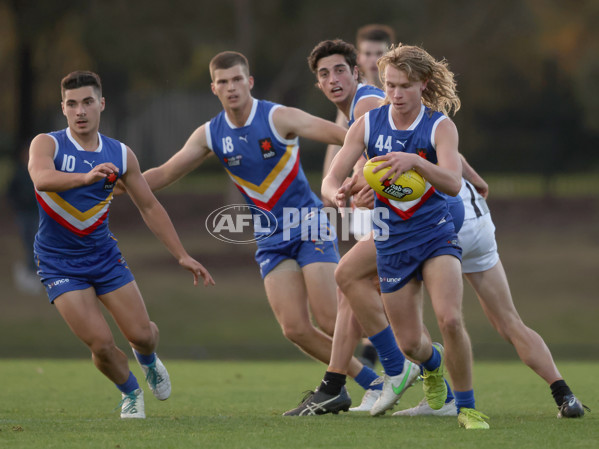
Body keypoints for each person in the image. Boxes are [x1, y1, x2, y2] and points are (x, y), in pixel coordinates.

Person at [139, 51, 375, 409]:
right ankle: (369, 382)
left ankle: (403, 360)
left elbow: (345, 136)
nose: (231, 87)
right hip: (269, 237)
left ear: (249, 82)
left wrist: (368, 165)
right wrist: (118, 184)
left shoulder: (278, 116)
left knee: (329, 317)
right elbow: (165, 173)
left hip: (307, 223)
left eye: (237, 80)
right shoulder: (210, 134)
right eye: (223, 82)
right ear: (214, 88)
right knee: (295, 328)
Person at [28, 70, 215, 419]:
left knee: (143, 336)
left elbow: (149, 206)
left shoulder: (122, 155)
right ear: (63, 109)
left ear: (101, 104)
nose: (80, 111)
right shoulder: (48, 144)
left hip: (104, 256)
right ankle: (130, 391)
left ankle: (148, 360)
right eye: (72, 104)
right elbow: (41, 179)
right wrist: (85, 177)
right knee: (99, 342)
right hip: (58, 262)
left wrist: (182, 255)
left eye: (87, 102)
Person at [322, 43, 490, 430]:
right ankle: (432, 370)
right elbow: (333, 178)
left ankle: (467, 408)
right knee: (411, 345)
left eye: (404, 86)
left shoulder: (439, 126)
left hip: (434, 233)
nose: (396, 95)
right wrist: (340, 195)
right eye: (389, 85)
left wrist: (415, 161)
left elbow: (451, 181)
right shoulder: (367, 125)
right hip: (391, 242)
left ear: (423, 84)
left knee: (449, 319)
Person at [284, 39, 423, 417]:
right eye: (324, 74)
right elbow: (335, 177)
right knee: (350, 292)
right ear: (317, 83)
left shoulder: (365, 102)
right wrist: (341, 191)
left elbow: (399, 140)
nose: (333, 79)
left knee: (354, 285)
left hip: (420, 216)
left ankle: (395, 369)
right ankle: (340, 386)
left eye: (340, 70)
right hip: (394, 215)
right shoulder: (350, 118)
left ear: (356, 72)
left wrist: (363, 174)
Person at [393, 158, 589, 419]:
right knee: (510, 322)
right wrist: (475, 178)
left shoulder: (388, 123)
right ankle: (564, 395)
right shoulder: (436, 126)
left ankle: (438, 393)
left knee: (385, 288)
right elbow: (455, 156)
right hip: (479, 222)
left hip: (443, 220)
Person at [7, 139, 43, 294]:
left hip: (37, 213)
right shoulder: (19, 173)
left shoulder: (39, 171)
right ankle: (30, 273)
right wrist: (17, 205)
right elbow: (10, 192)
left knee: (36, 242)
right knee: (27, 241)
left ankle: (38, 273)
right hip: (23, 214)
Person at [355, 24, 396, 89]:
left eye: (379, 53)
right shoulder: (353, 93)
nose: (373, 59)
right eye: (367, 54)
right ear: (359, 58)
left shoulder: (401, 93)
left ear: (392, 56)